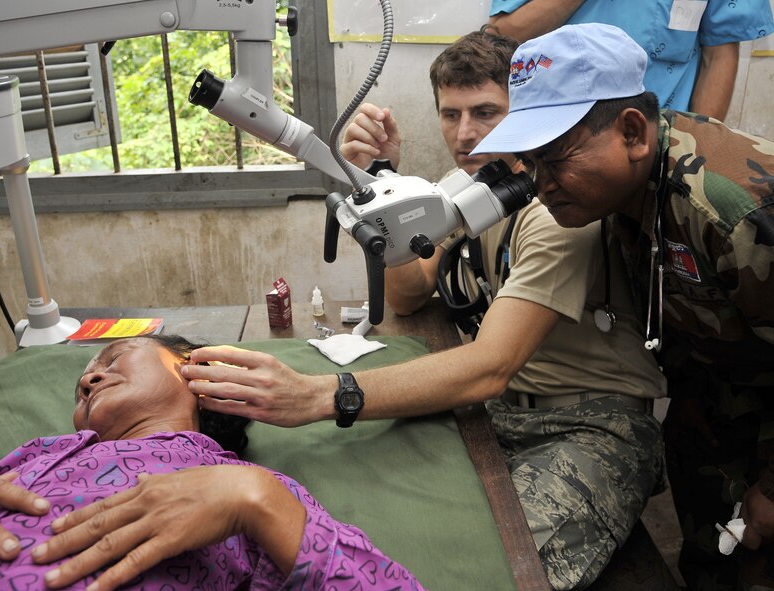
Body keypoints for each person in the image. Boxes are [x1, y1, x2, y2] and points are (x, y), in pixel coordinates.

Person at [180, 29, 667, 590]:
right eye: (450, 114)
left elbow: (489, 365)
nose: (465, 134)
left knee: (472, 571)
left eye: (486, 112)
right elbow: (412, 292)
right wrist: (383, 185)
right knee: (361, 499)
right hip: (500, 412)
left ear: (529, 114)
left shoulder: (560, 209)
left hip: (589, 426)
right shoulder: (468, 185)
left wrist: (319, 395)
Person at [469, 22, 774, 589]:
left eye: (554, 160)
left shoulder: (731, 216)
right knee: (716, 561)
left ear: (633, 132)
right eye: (531, 165)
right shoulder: (622, 190)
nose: (540, 186)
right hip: (716, 394)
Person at [0, 334, 425, 591]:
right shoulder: (31, 457)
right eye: (84, 380)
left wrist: (254, 501)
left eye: (114, 357)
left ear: (201, 375)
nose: (88, 377)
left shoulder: (243, 487)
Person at [487, 0, 774, 121]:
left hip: (655, 149)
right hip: (550, 140)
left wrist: (697, 152)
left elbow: (719, 54)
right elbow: (504, 34)